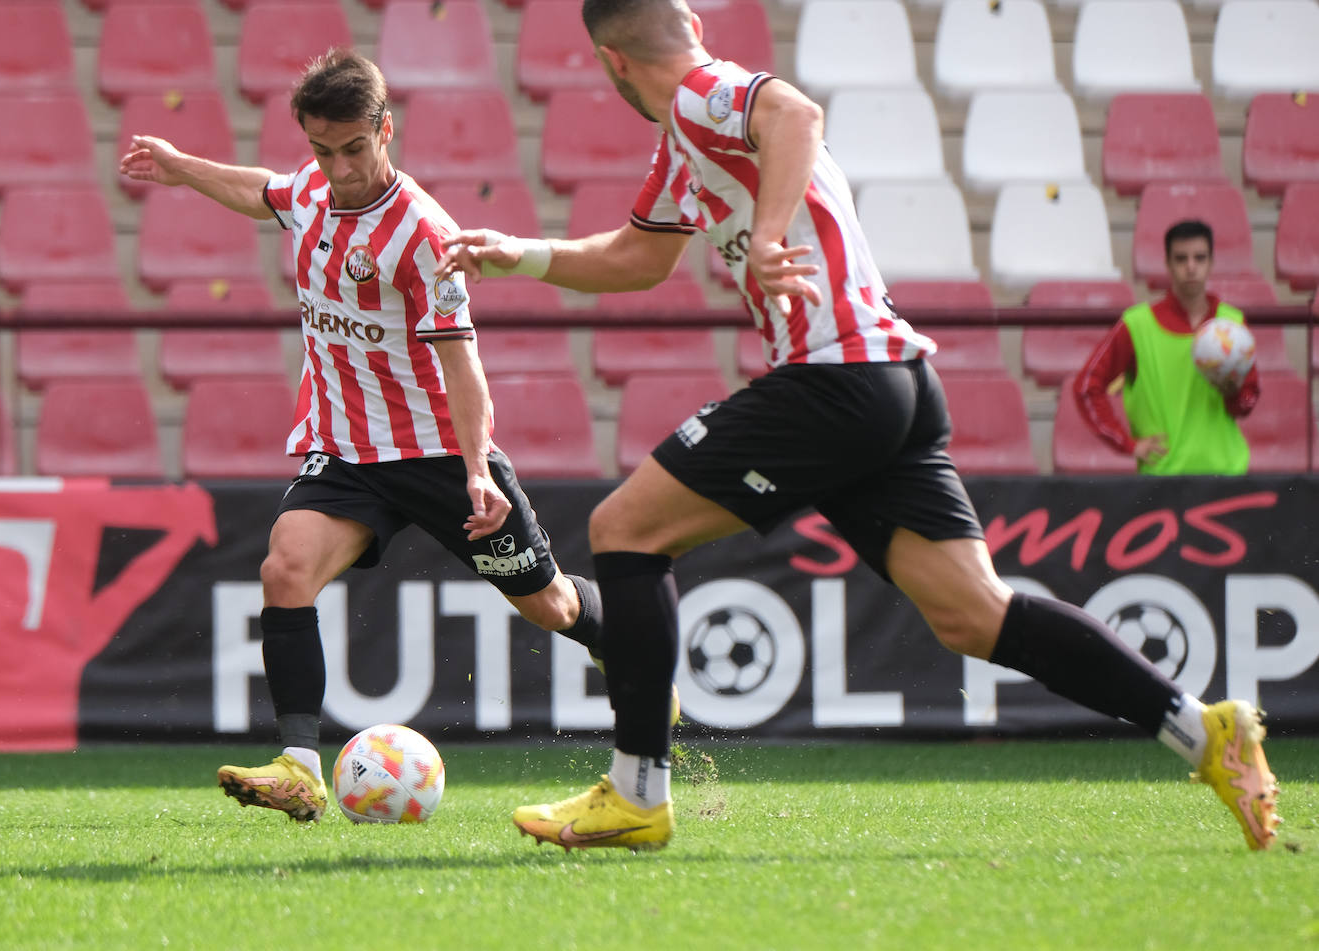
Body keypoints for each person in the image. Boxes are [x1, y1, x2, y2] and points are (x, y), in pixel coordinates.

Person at [435, 0, 1279, 852]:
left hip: (831, 379)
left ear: (612, 63)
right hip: (893, 385)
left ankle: (637, 792)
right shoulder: (687, 142)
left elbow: (795, 112)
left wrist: (766, 235)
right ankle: (1202, 730)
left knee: (624, 530)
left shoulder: (700, 95)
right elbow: (637, 257)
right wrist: (524, 253)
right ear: (690, 18)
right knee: (974, 614)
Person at [119, 49, 608, 823]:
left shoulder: (424, 234)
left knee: (547, 603)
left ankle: (627, 640)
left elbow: (464, 366)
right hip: (347, 448)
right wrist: (182, 168)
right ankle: (299, 766)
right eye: (323, 150)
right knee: (285, 569)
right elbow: (264, 191)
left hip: (441, 451)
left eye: (354, 148)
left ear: (386, 129)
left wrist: (477, 469)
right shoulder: (313, 187)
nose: (340, 168)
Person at [1074, 219, 1260, 475]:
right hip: (1164, 481)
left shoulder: (1233, 323)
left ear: (1211, 263)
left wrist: (1233, 393)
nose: (1191, 267)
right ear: (1168, 264)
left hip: (1227, 473)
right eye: (1181, 259)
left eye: (1199, 258)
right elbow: (1086, 386)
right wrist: (1127, 444)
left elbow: (1247, 403)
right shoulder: (1137, 324)